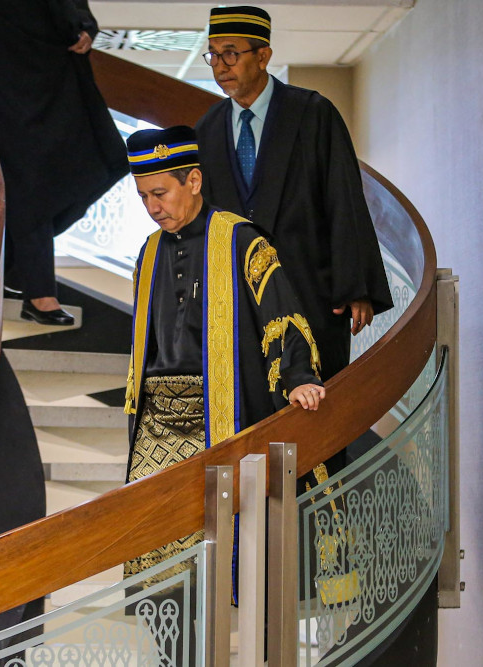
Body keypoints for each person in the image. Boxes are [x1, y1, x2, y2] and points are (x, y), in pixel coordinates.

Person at [121, 127, 324, 603]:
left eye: (159, 193)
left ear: (193, 181)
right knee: (154, 550)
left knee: (221, 553)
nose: (152, 207)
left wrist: (298, 377)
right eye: (143, 197)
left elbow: (281, 312)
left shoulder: (241, 240)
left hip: (219, 411)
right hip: (156, 421)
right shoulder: (147, 253)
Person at [196, 6, 393, 381]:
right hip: (242, 302)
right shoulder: (208, 129)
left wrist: (356, 287)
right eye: (214, 54)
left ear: (263, 55)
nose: (221, 65)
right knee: (252, 418)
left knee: (317, 415)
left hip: (311, 291)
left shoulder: (312, 114)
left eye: (232, 53)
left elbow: (343, 200)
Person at [0, 0, 129, 325]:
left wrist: (84, 23)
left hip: (53, 57)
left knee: (111, 161)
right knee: (27, 176)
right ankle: (39, 293)